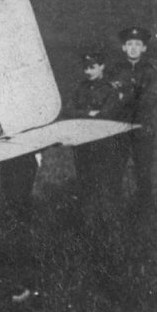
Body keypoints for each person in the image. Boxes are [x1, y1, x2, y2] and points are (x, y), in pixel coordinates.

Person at [108, 26, 157, 207]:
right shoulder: (115, 70)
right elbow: (111, 98)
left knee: (143, 170)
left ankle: (144, 207)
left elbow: (149, 100)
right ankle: (114, 205)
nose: (133, 48)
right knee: (115, 169)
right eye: (129, 44)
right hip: (119, 127)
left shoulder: (150, 71)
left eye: (138, 44)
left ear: (144, 48)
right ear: (123, 47)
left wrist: (125, 97)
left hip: (141, 127)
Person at [62, 52, 122, 207]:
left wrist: (83, 114)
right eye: (85, 68)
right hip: (83, 142)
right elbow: (68, 110)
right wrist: (89, 113)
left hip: (104, 144)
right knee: (85, 179)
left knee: (103, 181)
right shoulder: (80, 88)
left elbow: (107, 114)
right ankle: (87, 218)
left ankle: (106, 216)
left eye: (92, 67)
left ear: (102, 66)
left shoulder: (110, 90)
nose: (88, 72)